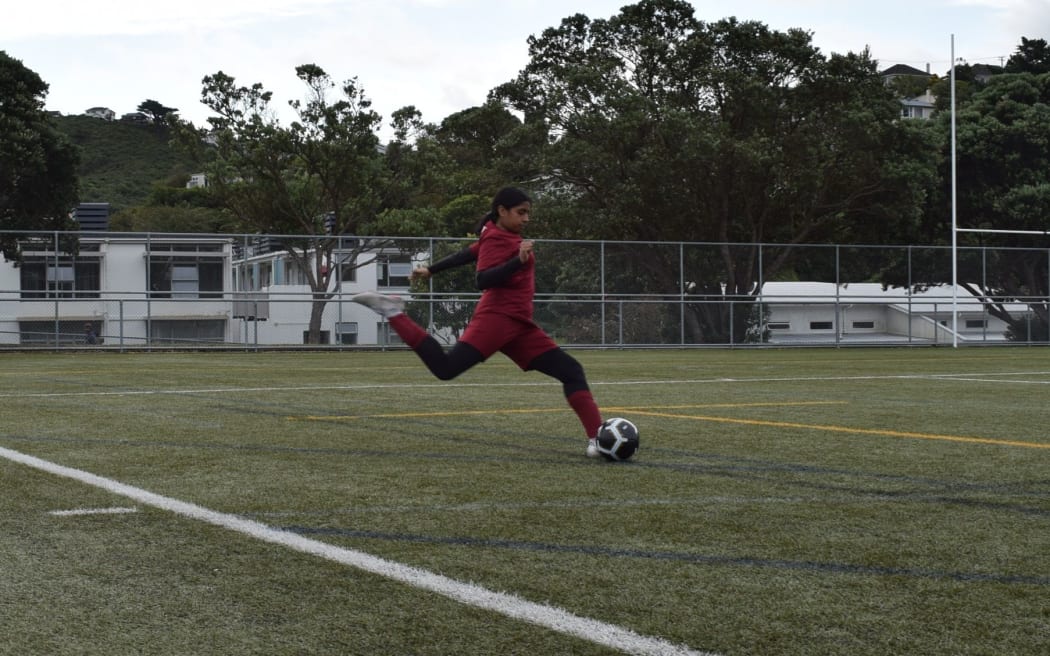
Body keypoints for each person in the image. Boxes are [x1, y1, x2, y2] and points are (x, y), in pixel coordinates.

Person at [352, 187, 606, 458]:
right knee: (445, 368)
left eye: (528, 213)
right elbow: (482, 280)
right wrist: (517, 262)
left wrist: (431, 269)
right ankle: (393, 313)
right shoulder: (499, 238)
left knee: (571, 371)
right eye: (521, 212)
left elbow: (469, 253)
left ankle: (597, 439)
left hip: (518, 325)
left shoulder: (494, 233)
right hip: (498, 319)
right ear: (502, 211)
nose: (526, 219)